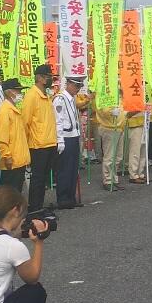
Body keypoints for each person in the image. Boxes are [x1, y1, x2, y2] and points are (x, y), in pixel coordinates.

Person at [21, 65, 58, 211]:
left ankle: (39, 205)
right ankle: (34, 207)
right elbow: (25, 121)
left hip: (49, 143)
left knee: (43, 179)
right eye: (48, 76)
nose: (50, 79)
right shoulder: (31, 96)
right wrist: (26, 144)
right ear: (40, 78)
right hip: (38, 145)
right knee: (37, 179)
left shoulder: (46, 95)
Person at [52, 77, 85, 209]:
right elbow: (58, 121)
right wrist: (60, 140)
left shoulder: (72, 99)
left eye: (79, 86)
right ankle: (63, 198)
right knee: (64, 169)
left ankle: (71, 197)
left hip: (74, 136)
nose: (78, 89)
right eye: (76, 86)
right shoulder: (60, 99)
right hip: (65, 138)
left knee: (73, 169)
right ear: (69, 84)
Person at [0, 79, 31, 191]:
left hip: (19, 159)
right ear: (10, 92)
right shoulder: (5, 111)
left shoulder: (14, 109)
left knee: (16, 192)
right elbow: (2, 138)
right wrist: (7, 156)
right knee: (10, 194)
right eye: (18, 91)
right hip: (11, 162)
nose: (20, 94)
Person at [94, 93, 127, 191]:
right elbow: (101, 109)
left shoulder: (120, 95)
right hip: (109, 128)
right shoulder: (104, 93)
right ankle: (108, 180)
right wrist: (110, 112)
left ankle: (114, 179)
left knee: (118, 156)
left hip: (120, 127)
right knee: (110, 156)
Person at [125, 106, 148, 184]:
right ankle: (133, 175)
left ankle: (140, 173)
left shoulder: (145, 94)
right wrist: (141, 108)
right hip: (135, 124)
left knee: (143, 151)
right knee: (135, 151)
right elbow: (127, 112)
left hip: (145, 123)